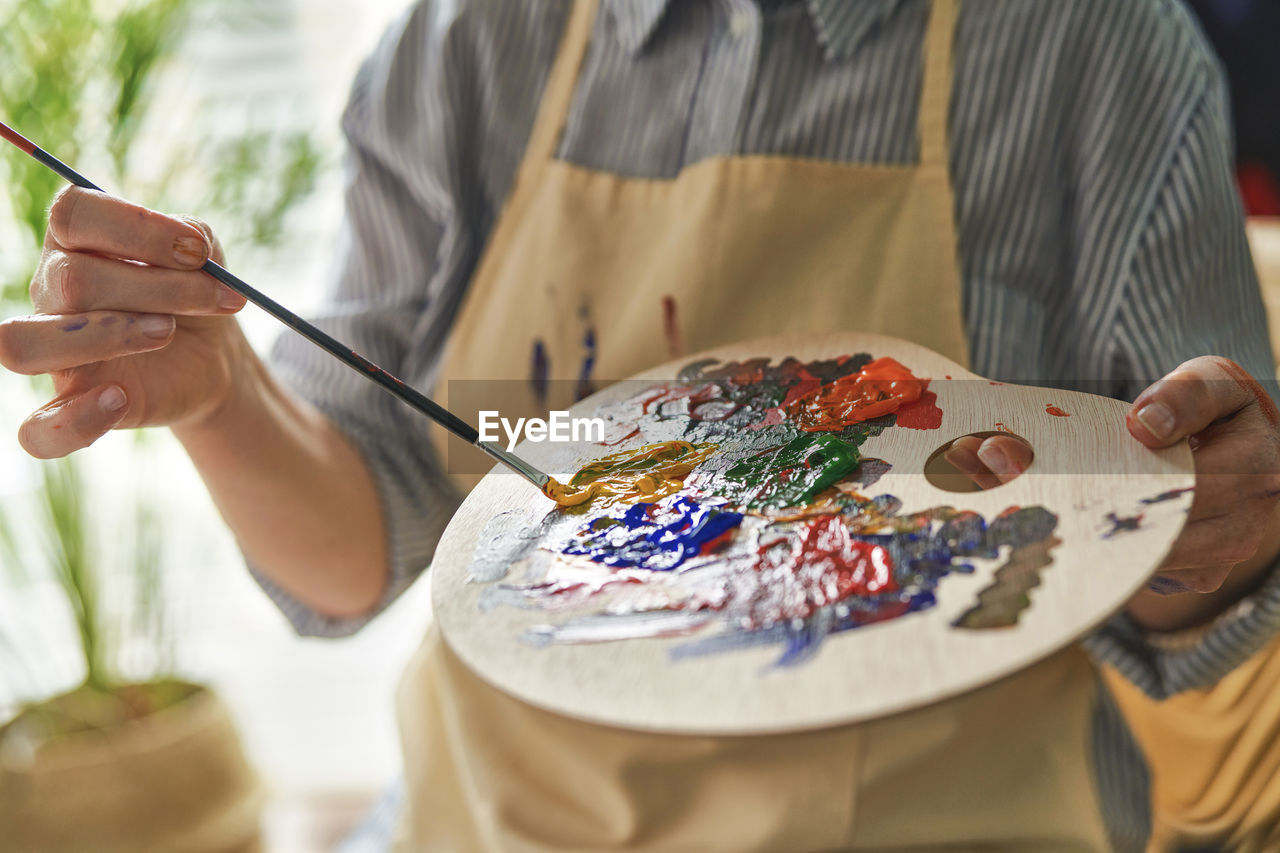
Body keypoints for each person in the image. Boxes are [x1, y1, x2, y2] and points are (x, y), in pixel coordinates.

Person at [3, 0, 1279, 849]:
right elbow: (360, 549)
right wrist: (223, 400)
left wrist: (1201, 531)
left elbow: (1187, 590)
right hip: (490, 818)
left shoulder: (1094, 50)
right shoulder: (466, 45)